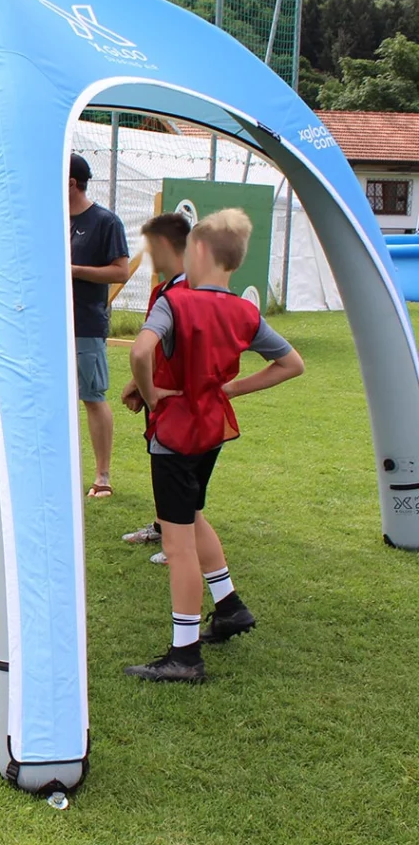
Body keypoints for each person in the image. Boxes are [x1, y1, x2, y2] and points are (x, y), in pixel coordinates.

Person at [124, 209, 304, 683]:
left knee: (177, 540)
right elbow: (291, 364)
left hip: (175, 434)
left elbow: (140, 351)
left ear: (198, 252)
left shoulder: (175, 301)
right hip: (212, 431)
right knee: (192, 513)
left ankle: (185, 656)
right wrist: (232, 390)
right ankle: (229, 606)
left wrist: (148, 392)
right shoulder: (245, 312)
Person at [120, 212, 191, 561]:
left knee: (179, 469)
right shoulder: (161, 291)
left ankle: (179, 542)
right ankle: (165, 527)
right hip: (158, 395)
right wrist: (139, 385)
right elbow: (152, 347)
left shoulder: (191, 292)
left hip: (180, 397)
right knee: (159, 459)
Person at [69, 152, 130, 498]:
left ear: (72, 183)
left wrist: (75, 270)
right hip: (50, 327)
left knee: (91, 397)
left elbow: (120, 271)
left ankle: (102, 477)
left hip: (87, 325)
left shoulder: (106, 222)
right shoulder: (53, 220)